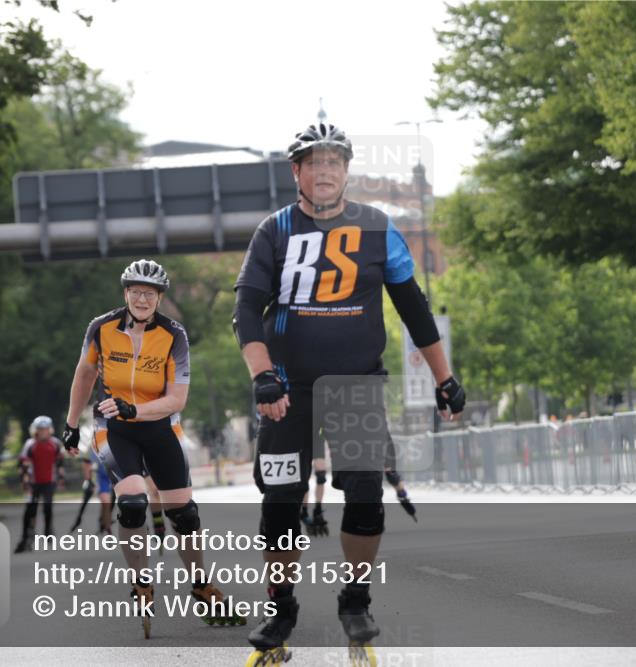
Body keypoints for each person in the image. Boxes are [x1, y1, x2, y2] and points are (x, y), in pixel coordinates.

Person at [233, 122, 466, 661]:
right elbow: (246, 309)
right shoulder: (274, 231)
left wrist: (444, 379)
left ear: (346, 170)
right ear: (297, 172)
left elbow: (414, 309)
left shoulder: (379, 227)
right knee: (281, 501)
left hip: (357, 384)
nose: (324, 171)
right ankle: (281, 607)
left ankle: (356, 599)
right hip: (287, 387)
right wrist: (262, 374)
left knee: (365, 493)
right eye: (313, 162)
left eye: (334, 162)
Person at [61, 259, 242, 635]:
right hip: (115, 430)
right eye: (136, 292)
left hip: (160, 426)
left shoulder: (174, 335)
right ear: (125, 293)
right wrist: (71, 423)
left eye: (150, 293)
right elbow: (84, 374)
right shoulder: (101, 327)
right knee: (131, 503)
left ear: (160, 298)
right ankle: (141, 581)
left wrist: (137, 408)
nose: (142, 299)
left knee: (185, 516)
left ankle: (200, 584)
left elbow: (177, 399)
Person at [15, 416, 66, 553]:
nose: (43, 432)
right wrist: (24, 482)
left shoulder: (55, 443)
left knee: (47, 507)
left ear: (50, 430)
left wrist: (61, 478)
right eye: (40, 430)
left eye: (45, 429)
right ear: (35, 430)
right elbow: (23, 465)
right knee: (30, 509)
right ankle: (26, 536)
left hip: (49, 481)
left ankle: (48, 532)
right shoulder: (30, 444)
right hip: (33, 483)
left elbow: (60, 462)